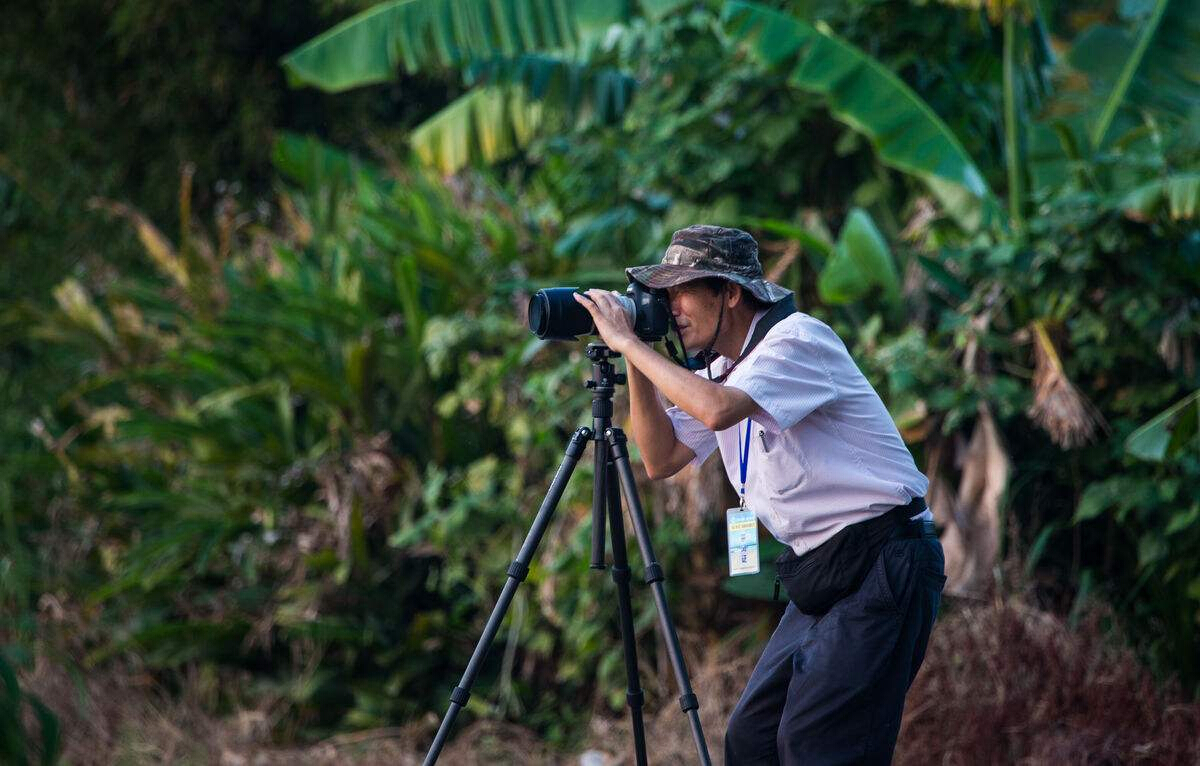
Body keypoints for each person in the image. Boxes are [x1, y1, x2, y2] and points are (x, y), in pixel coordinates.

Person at [573, 225, 946, 765]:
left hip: (885, 557)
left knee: (816, 742)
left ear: (729, 292)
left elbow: (718, 409)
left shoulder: (796, 341)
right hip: (823, 568)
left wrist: (628, 340)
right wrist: (635, 355)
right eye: (665, 294)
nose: (671, 306)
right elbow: (660, 460)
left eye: (682, 291)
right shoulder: (725, 369)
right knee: (751, 739)